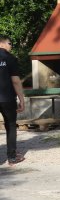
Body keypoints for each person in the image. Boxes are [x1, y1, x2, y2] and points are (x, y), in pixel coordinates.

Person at [0, 35, 25, 165]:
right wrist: (22, 99)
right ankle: (12, 157)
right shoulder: (10, 58)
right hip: (7, 98)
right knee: (10, 125)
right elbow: (15, 81)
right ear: (2, 44)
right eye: (10, 43)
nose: (11, 46)